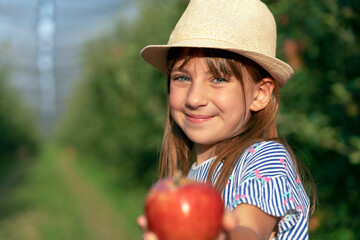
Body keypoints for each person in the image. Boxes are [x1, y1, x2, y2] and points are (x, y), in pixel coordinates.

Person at [137, 0, 316, 239]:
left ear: (260, 94)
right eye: (182, 78)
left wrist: (222, 235)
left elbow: (249, 229)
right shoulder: (191, 180)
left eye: (219, 79)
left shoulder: (264, 159)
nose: (195, 98)